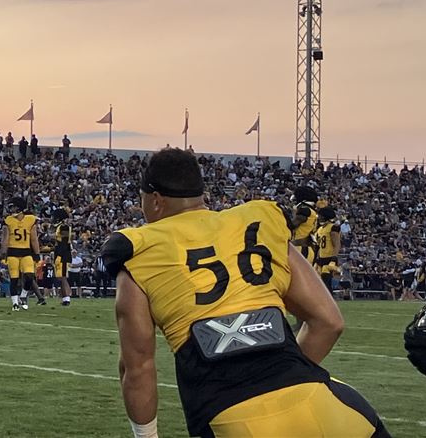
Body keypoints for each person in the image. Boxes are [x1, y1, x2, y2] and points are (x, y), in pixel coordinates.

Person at [102, 148, 386, 438]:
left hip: (235, 420)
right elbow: (329, 322)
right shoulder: (257, 223)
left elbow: (137, 370)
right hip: (338, 412)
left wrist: (146, 435)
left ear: (155, 199)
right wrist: (280, 377)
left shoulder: (139, 251)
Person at [3, 196, 42, 310]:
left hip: (26, 252)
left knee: (30, 276)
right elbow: (5, 239)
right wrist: (3, 252)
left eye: (13, 206)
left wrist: (37, 253)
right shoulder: (8, 220)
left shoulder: (30, 219)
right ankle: (15, 303)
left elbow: (34, 238)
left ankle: (23, 295)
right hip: (12, 251)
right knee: (14, 279)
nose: (12, 209)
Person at [313, 207, 342, 292]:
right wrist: (317, 257)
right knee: (318, 281)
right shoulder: (320, 229)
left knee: (326, 280)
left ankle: (330, 300)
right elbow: (319, 246)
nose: (319, 217)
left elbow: (336, 244)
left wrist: (334, 258)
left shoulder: (333, 227)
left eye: (321, 215)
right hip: (321, 258)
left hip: (330, 258)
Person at [52, 208, 74, 306]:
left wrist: (60, 255)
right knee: (60, 277)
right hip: (60, 253)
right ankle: (65, 297)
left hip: (63, 254)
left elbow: (64, 243)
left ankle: (67, 298)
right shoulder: (60, 226)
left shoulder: (64, 227)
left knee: (63, 277)